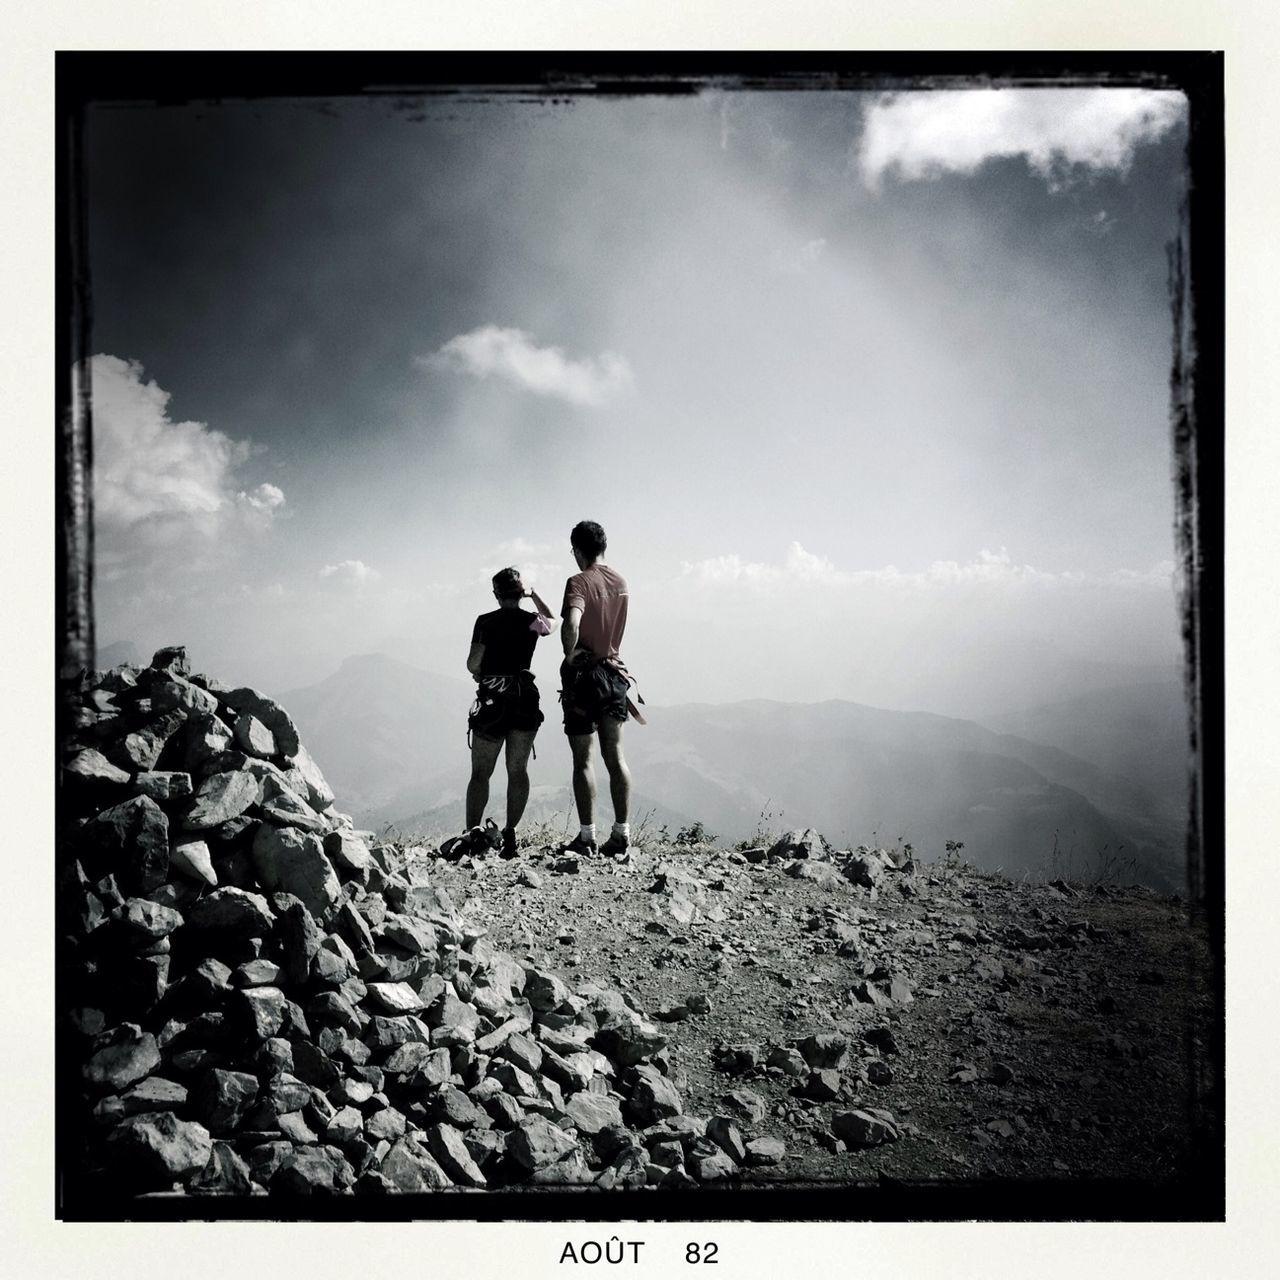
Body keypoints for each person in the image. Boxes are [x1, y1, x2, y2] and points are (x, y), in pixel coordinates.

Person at [441, 567, 555, 861]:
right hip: (524, 700)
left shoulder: (485, 622)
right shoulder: (531, 621)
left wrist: (482, 674)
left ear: (495, 594)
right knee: (517, 771)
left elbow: (472, 663)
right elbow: (552, 622)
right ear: (519, 593)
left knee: (480, 773)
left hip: (493, 703)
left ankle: (473, 834)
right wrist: (535, 595)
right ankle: (511, 834)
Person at [558, 520, 642, 859]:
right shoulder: (621, 582)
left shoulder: (578, 581)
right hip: (615, 675)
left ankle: (586, 837)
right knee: (615, 755)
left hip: (585, 679)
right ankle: (622, 834)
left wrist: (569, 652)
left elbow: (572, 623)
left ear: (578, 550)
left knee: (583, 760)